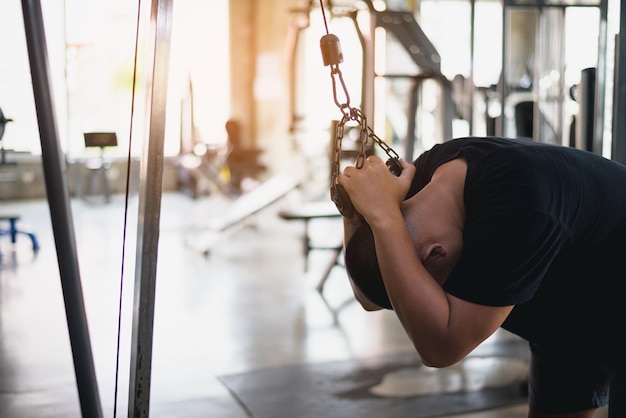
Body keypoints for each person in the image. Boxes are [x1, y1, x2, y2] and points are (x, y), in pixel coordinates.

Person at [339, 136, 625, 418]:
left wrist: (384, 218)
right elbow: (370, 298)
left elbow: (441, 348)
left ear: (434, 254)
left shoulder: (516, 202)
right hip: (568, 309)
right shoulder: (418, 186)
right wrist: (356, 214)